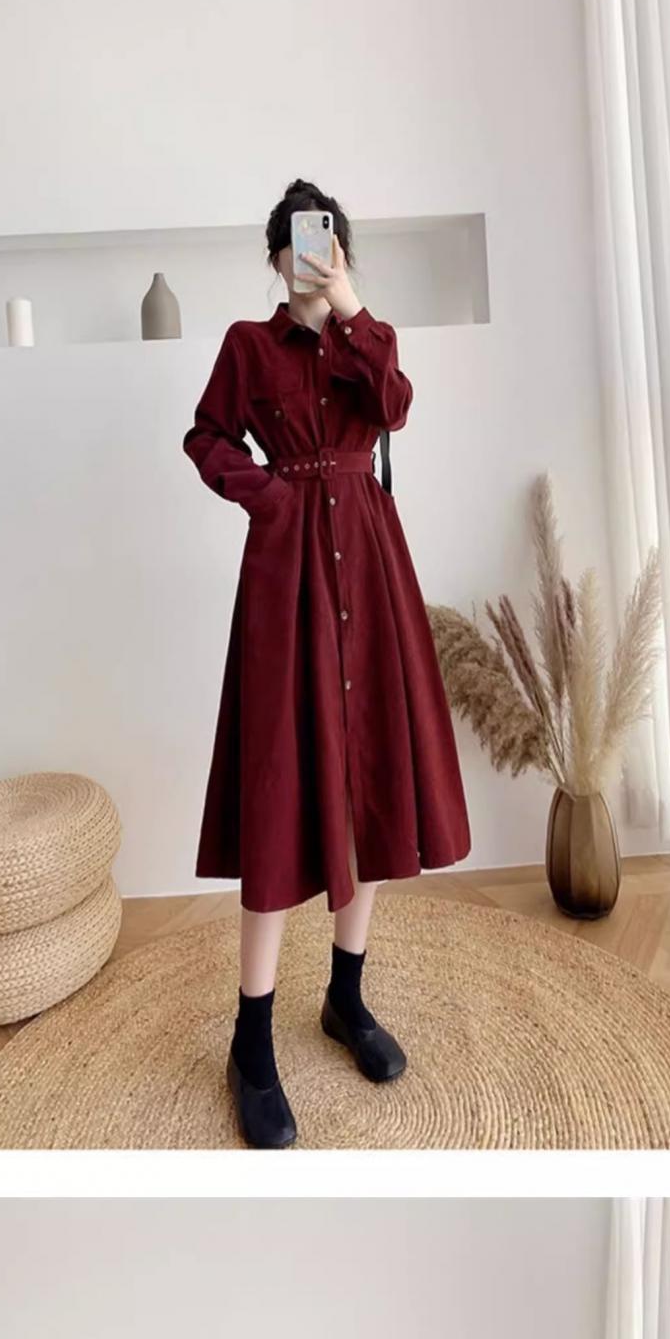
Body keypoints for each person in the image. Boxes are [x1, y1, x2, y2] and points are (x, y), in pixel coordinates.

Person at [183, 178, 471, 1147]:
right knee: (279, 786)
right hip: (287, 574)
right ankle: (250, 1039)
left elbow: (394, 407)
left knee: (372, 773)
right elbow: (205, 434)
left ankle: (345, 997)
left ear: (341, 251)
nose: (313, 255)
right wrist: (268, 496)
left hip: (371, 569)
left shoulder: (366, 338)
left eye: (329, 241)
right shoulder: (247, 345)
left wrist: (348, 307)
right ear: (276, 256)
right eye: (300, 243)